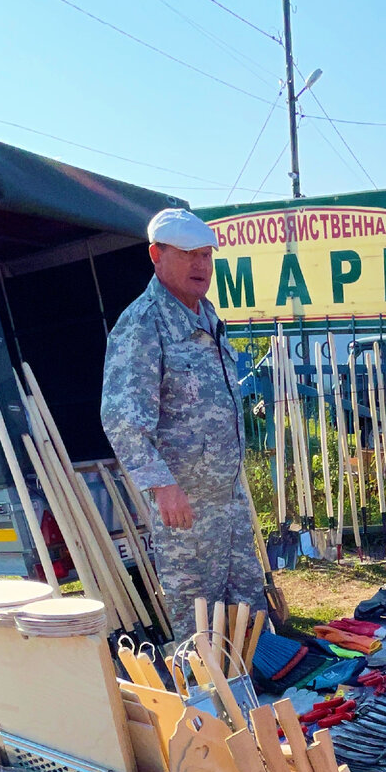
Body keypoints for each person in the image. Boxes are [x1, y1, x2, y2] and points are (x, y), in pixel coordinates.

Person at [101, 208, 265, 641]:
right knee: (199, 627)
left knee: (249, 614)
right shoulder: (142, 324)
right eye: (188, 254)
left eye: (207, 255)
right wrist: (163, 486)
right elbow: (122, 417)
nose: (201, 265)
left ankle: (258, 698)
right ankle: (203, 704)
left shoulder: (206, 317)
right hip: (186, 512)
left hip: (227, 502)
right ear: (156, 255)